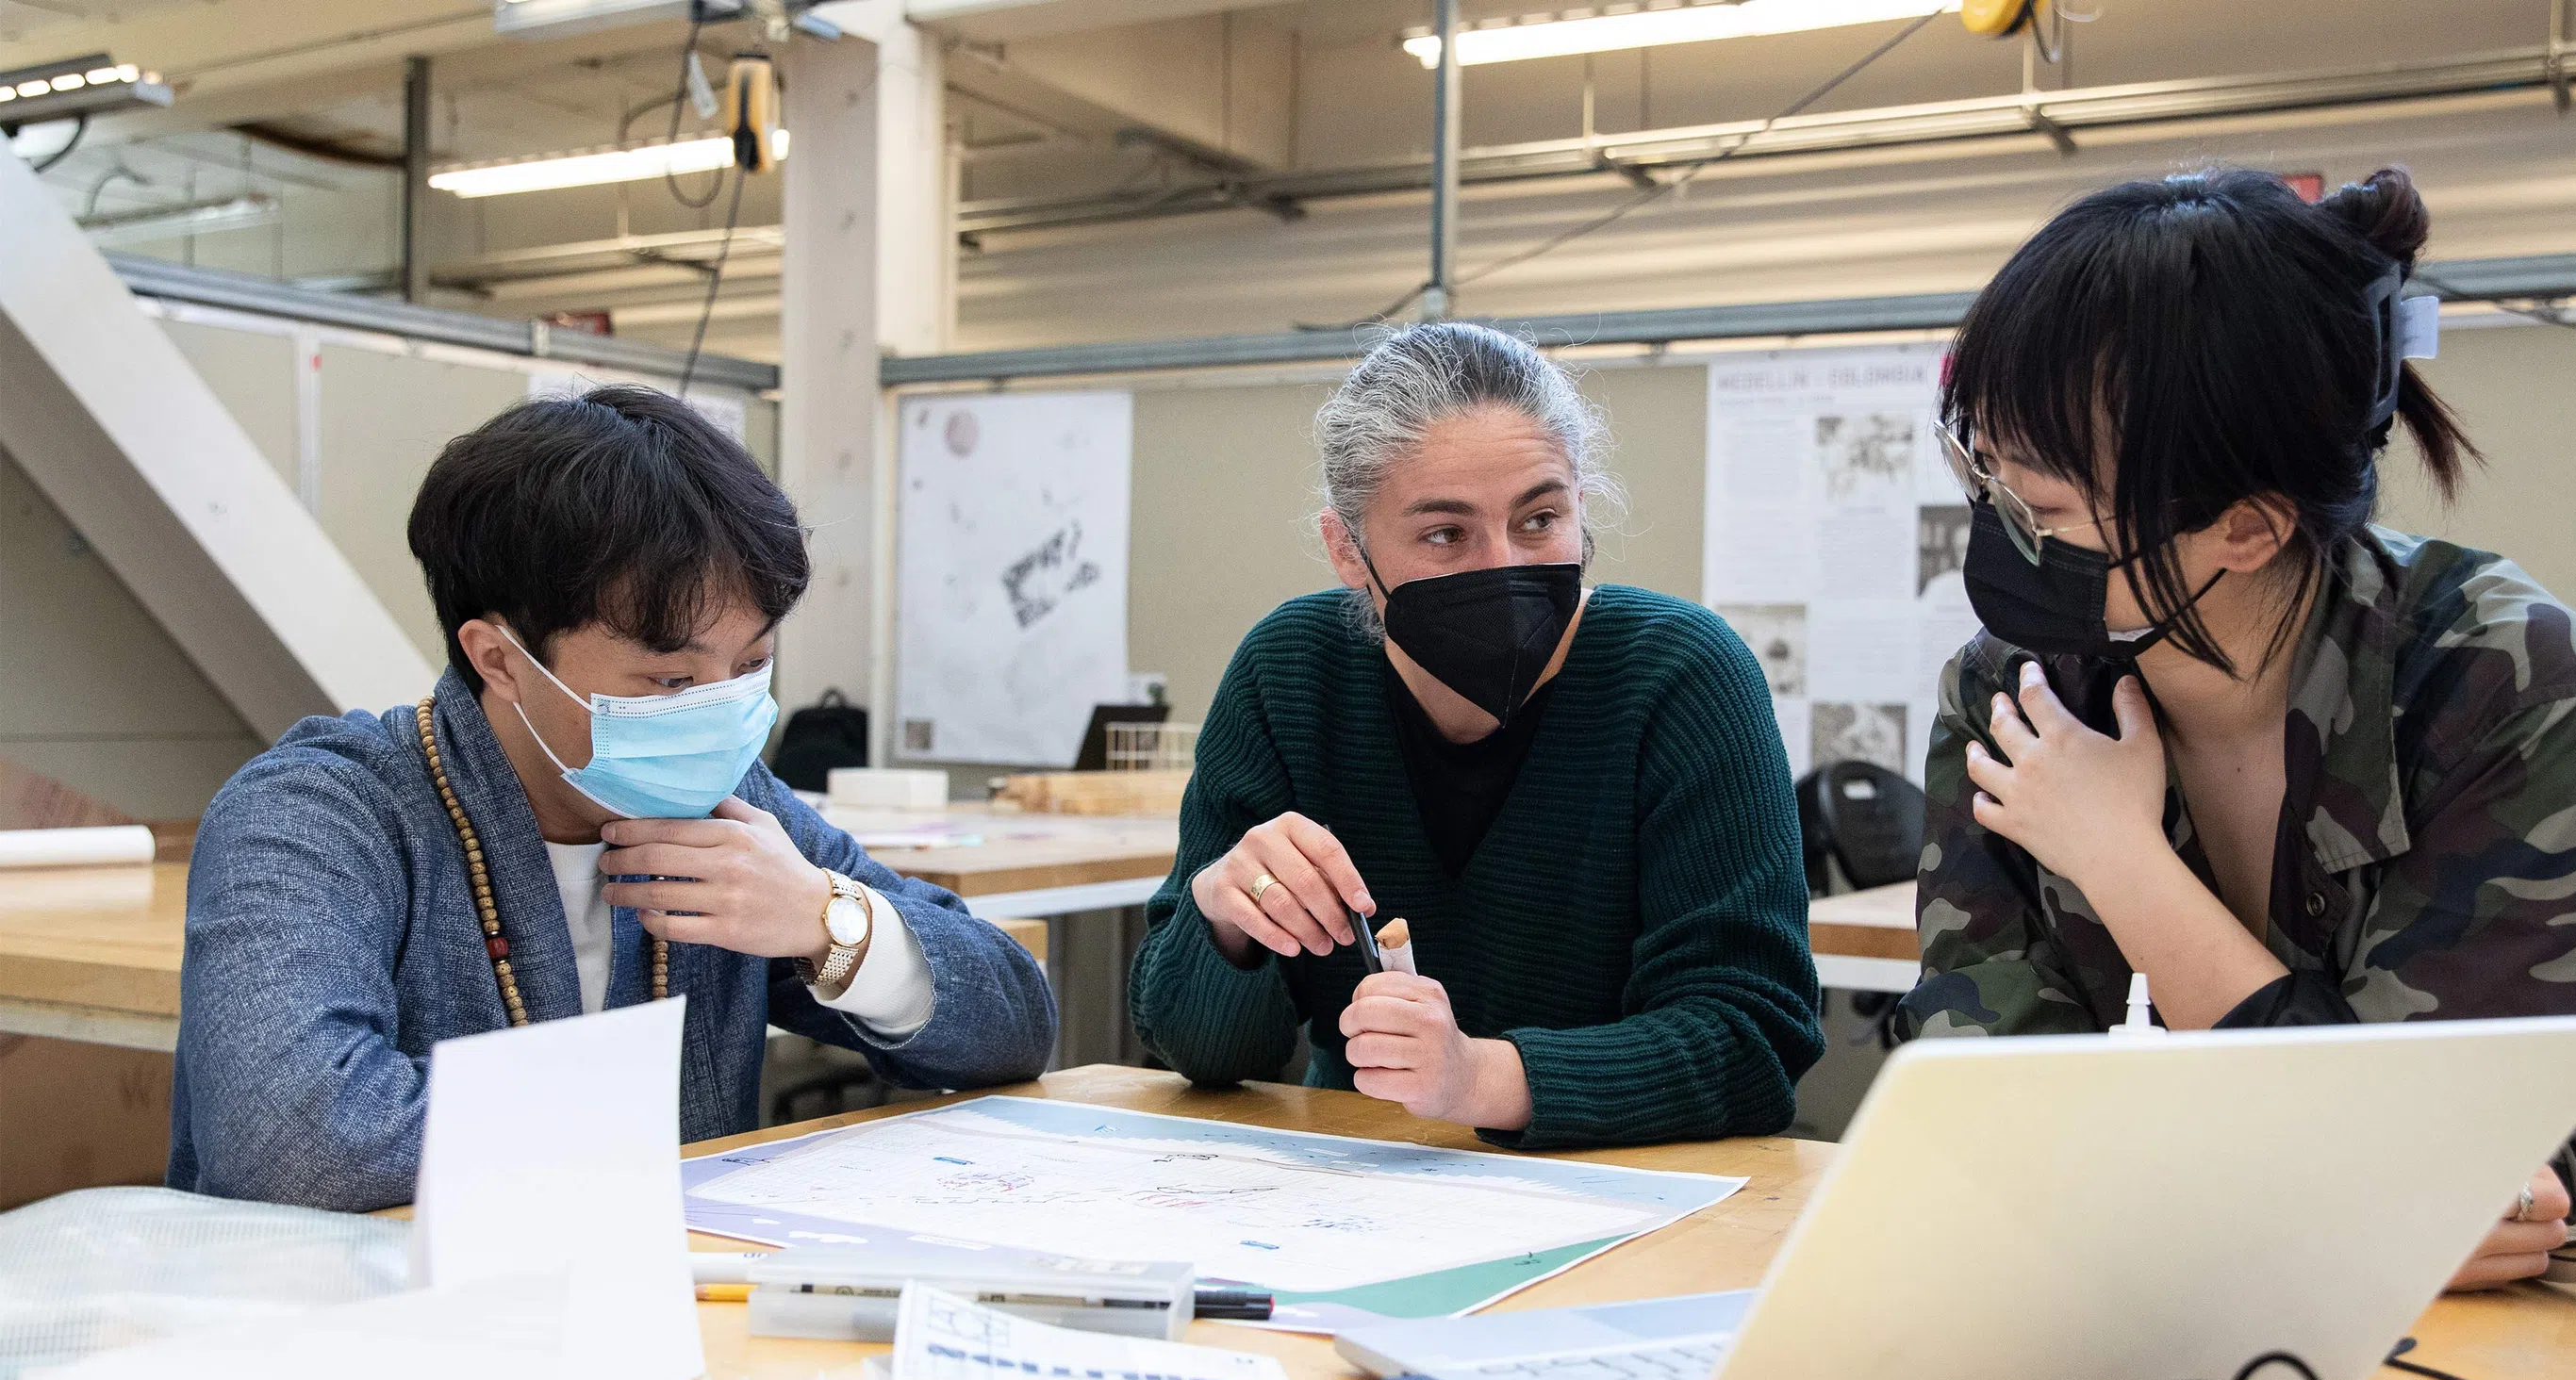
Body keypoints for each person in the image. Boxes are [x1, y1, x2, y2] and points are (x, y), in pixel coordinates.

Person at [1893, 166, 2576, 1290]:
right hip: (2213, 1290)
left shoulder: (2509, 688)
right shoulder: (2016, 689)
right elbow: (1990, 1120)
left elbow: (2464, 1176)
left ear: (2245, 528)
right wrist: (2333, 1189)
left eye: (2043, 512)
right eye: (1981, 471)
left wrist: (2119, 857)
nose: (1997, 529)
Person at [169, 386, 1055, 1210]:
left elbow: (1016, 1018)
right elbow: (291, 1141)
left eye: (750, 666)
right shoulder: (322, 813)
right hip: (373, 1343)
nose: (718, 711)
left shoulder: (731, 809)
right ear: (500, 660)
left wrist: (830, 922)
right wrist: (630, 1112)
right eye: (670, 680)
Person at [1126, 322, 1823, 1148]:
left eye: (1538, 520)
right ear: (1348, 550)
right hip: (1354, 1177)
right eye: (1446, 535)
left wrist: (1476, 1078)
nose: (1506, 568)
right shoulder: (1292, 674)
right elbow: (1196, 1052)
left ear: (1580, 508)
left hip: (1633, 1192)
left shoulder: (1680, 678)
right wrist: (1227, 924)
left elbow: (1753, 1045)